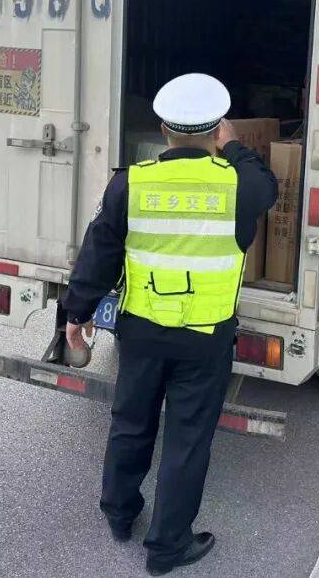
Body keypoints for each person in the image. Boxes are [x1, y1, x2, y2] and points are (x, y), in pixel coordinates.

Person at [54, 73, 278, 575]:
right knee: (187, 439)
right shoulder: (240, 186)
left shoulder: (130, 183)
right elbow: (266, 185)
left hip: (142, 332)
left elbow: (98, 254)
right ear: (217, 130)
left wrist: (76, 314)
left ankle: (119, 515)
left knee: (130, 423)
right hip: (204, 338)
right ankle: (167, 548)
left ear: (163, 130)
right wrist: (234, 145)